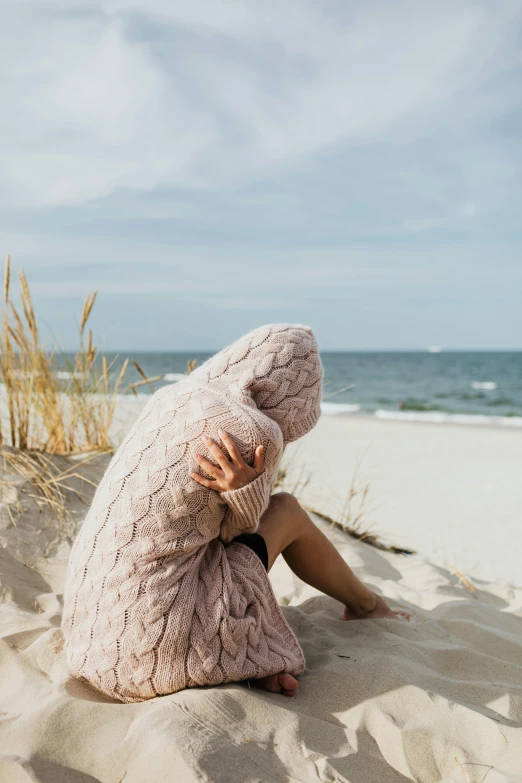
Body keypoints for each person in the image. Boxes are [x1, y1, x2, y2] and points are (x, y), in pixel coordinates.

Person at [61, 324, 406, 704]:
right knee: (287, 510)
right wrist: (248, 492)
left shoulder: (169, 398)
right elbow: (232, 535)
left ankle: (235, 660)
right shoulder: (251, 430)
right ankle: (365, 605)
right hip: (153, 646)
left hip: (91, 630)